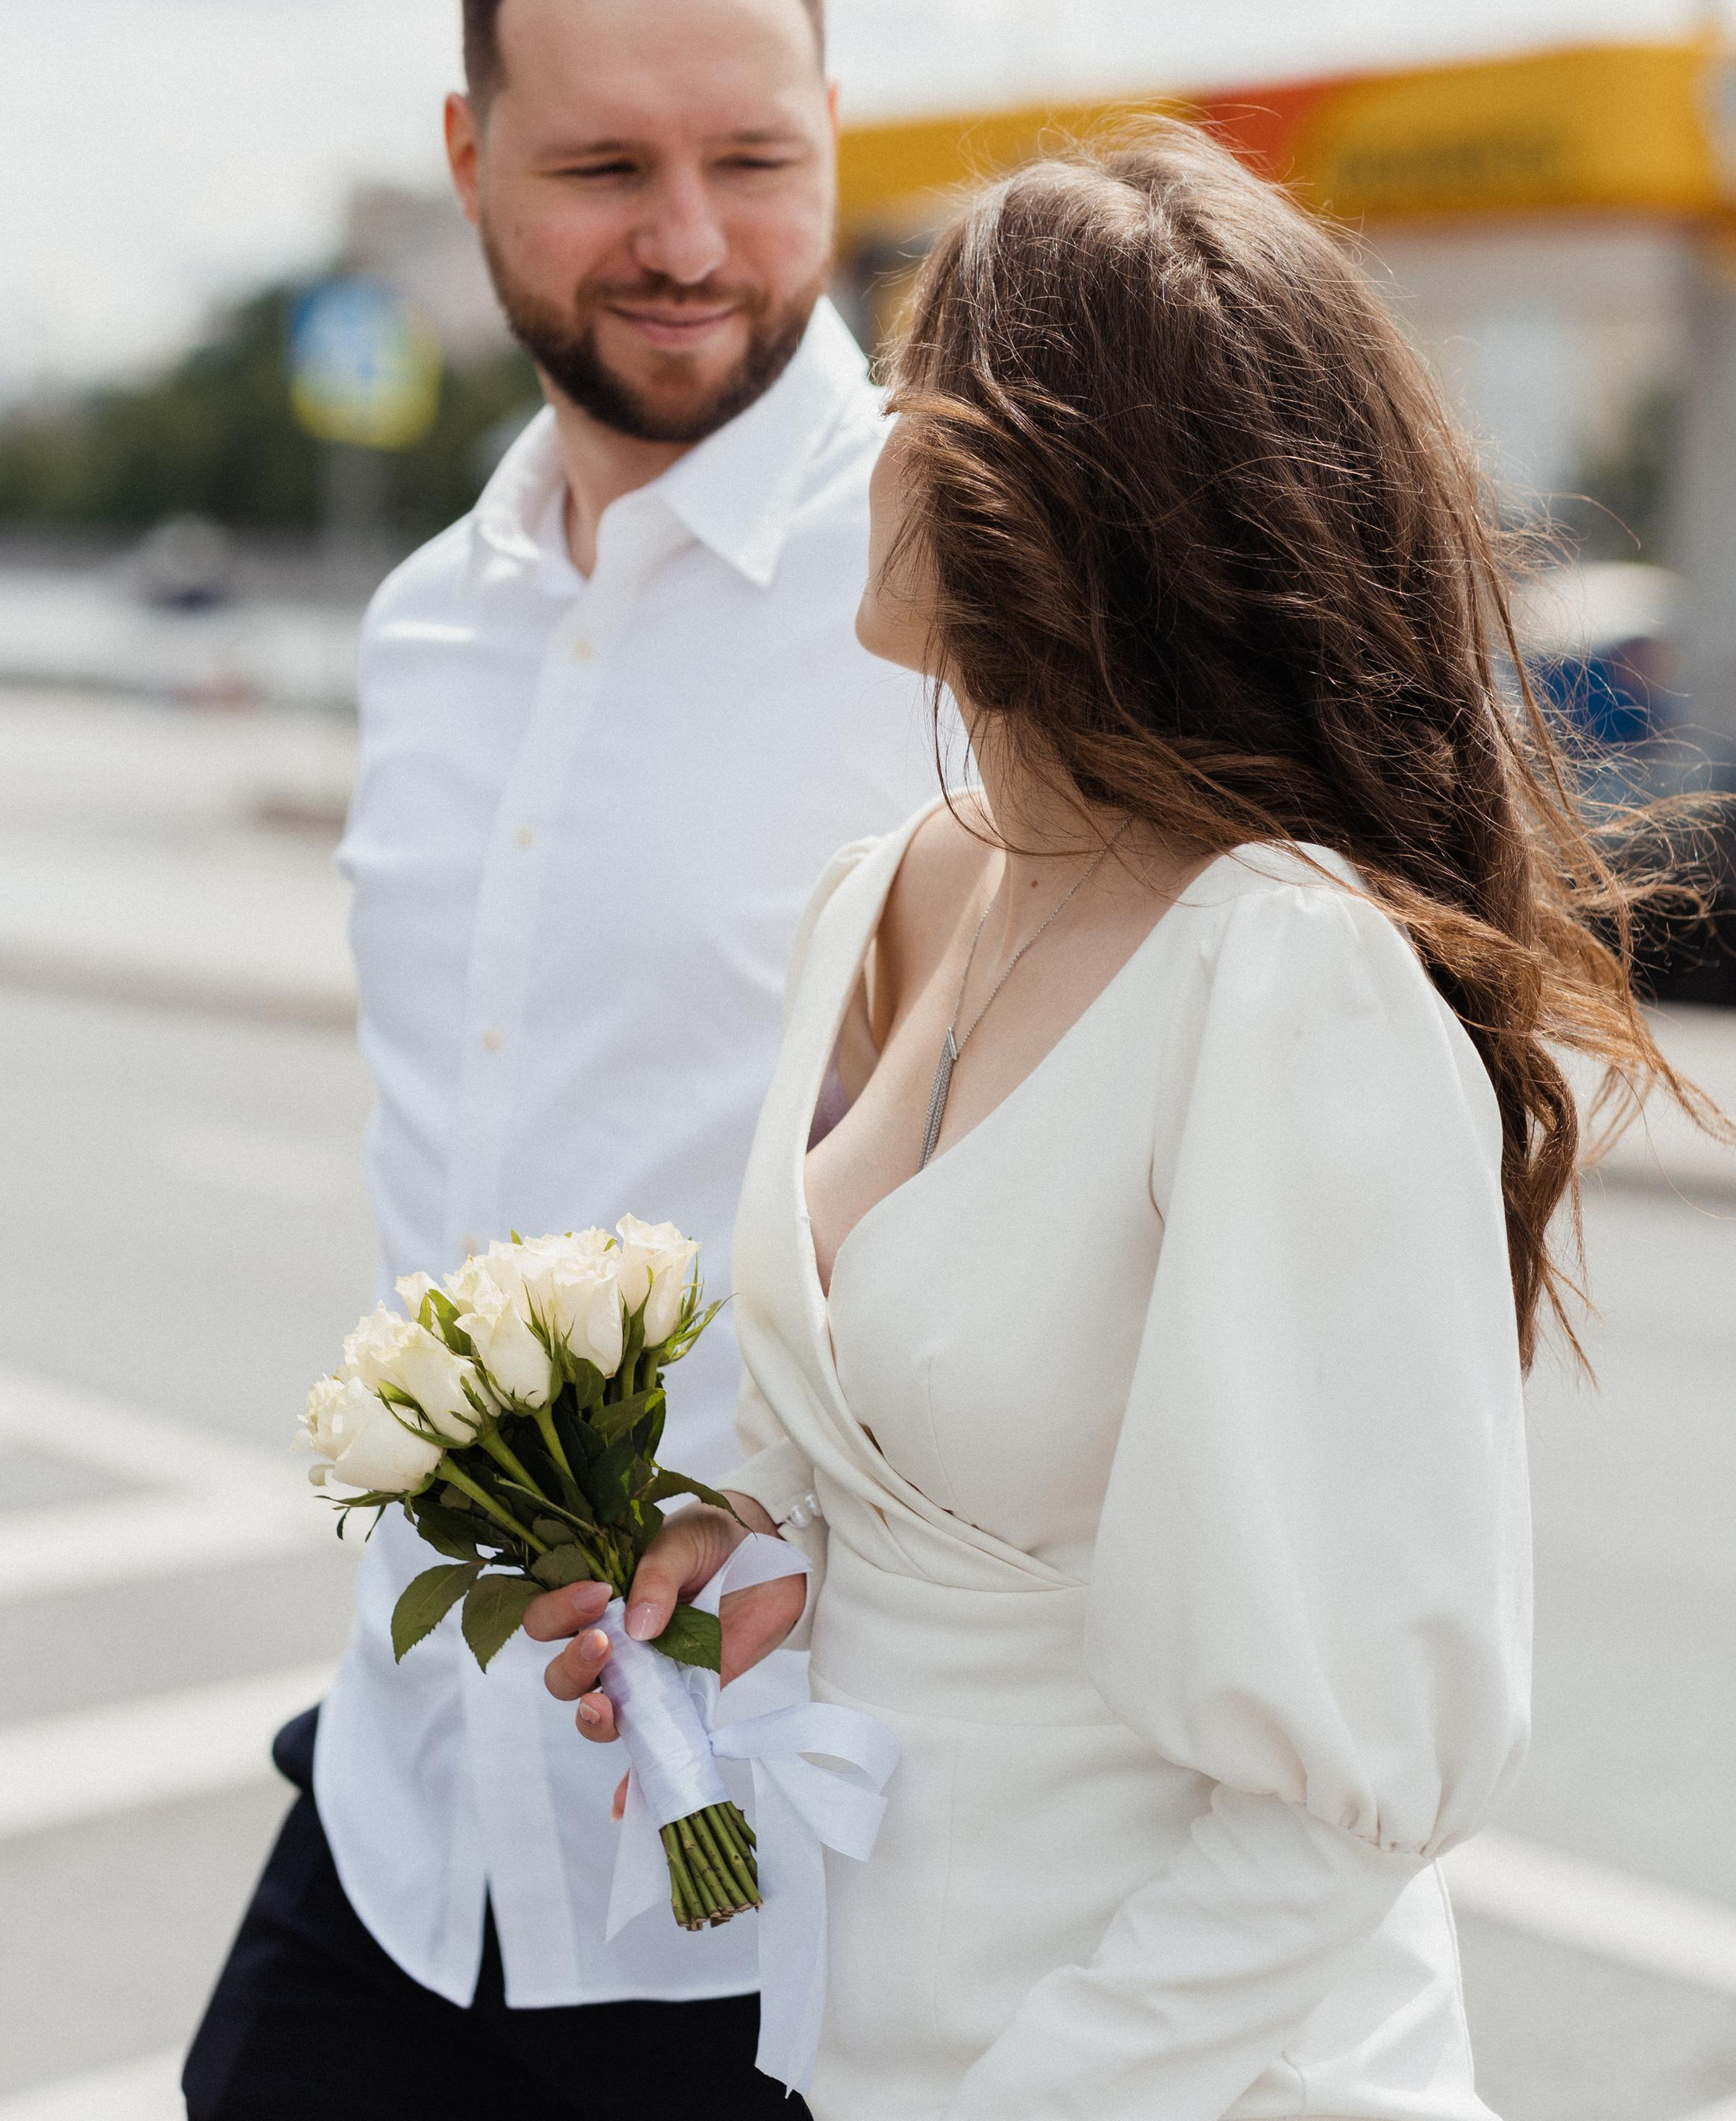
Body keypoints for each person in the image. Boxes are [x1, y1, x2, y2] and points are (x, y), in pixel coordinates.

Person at [534, 130, 1715, 2119]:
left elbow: (1346, 1809)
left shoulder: (1284, 975)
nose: (873, 441)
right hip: (873, 2044)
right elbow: (950, 1454)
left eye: (916, 391)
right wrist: (751, 1549)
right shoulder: (887, 894)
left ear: (1053, 486)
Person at [183, 0, 934, 2118]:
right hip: (419, 1806)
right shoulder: (425, 624)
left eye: (756, 157)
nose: (691, 242)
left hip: (769, 1863)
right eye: (606, 163)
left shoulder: (968, 599)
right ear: (468, 156)